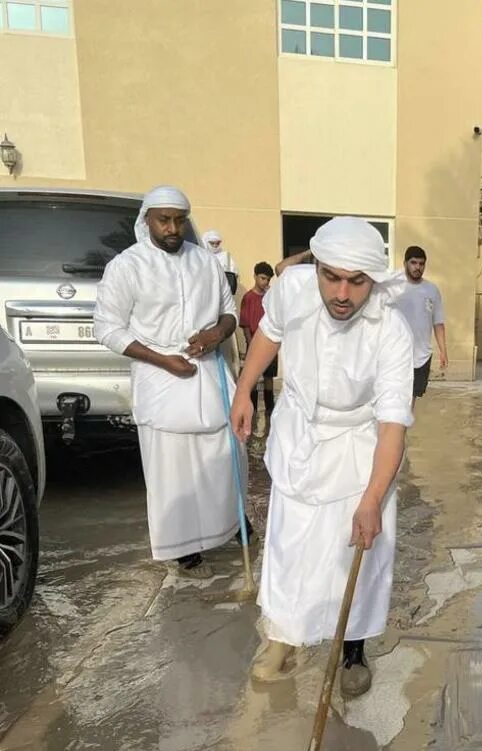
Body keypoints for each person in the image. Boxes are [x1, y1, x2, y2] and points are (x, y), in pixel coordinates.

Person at [231, 217, 414, 698]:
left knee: (356, 552)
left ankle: (352, 649)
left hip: (359, 444)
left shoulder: (391, 330)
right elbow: (269, 335)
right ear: (316, 267)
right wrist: (245, 389)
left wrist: (373, 498)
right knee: (290, 545)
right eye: (331, 276)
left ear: (373, 280)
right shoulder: (292, 289)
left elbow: (393, 423)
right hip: (299, 431)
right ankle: (283, 637)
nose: (342, 293)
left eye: (357, 282)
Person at [94, 186, 245, 578]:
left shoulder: (205, 262)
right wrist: (163, 359)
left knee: (224, 458)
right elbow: (107, 328)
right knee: (172, 468)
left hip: (209, 372)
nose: (173, 228)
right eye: (164, 220)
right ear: (147, 221)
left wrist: (215, 334)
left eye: (179, 220)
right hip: (160, 376)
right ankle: (184, 549)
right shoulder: (127, 266)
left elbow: (228, 313)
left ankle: (230, 526)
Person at [393, 246, 448, 406]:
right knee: (394, 399)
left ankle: (403, 430)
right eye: (413, 263)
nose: (418, 267)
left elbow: (438, 323)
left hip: (421, 355)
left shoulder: (431, 290)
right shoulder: (393, 287)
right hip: (396, 353)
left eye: (421, 264)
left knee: (411, 400)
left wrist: (443, 351)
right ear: (405, 263)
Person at [239, 261, 277, 432]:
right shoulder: (248, 298)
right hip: (254, 342)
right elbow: (245, 322)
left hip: (270, 343)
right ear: (255, 276)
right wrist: (250, 342)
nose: (265, 282)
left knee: (269, 377)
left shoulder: (271, 297)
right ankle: (252, 407)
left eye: (268, 279)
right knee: (253, 377)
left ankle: (270, 408)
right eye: (262, 278)